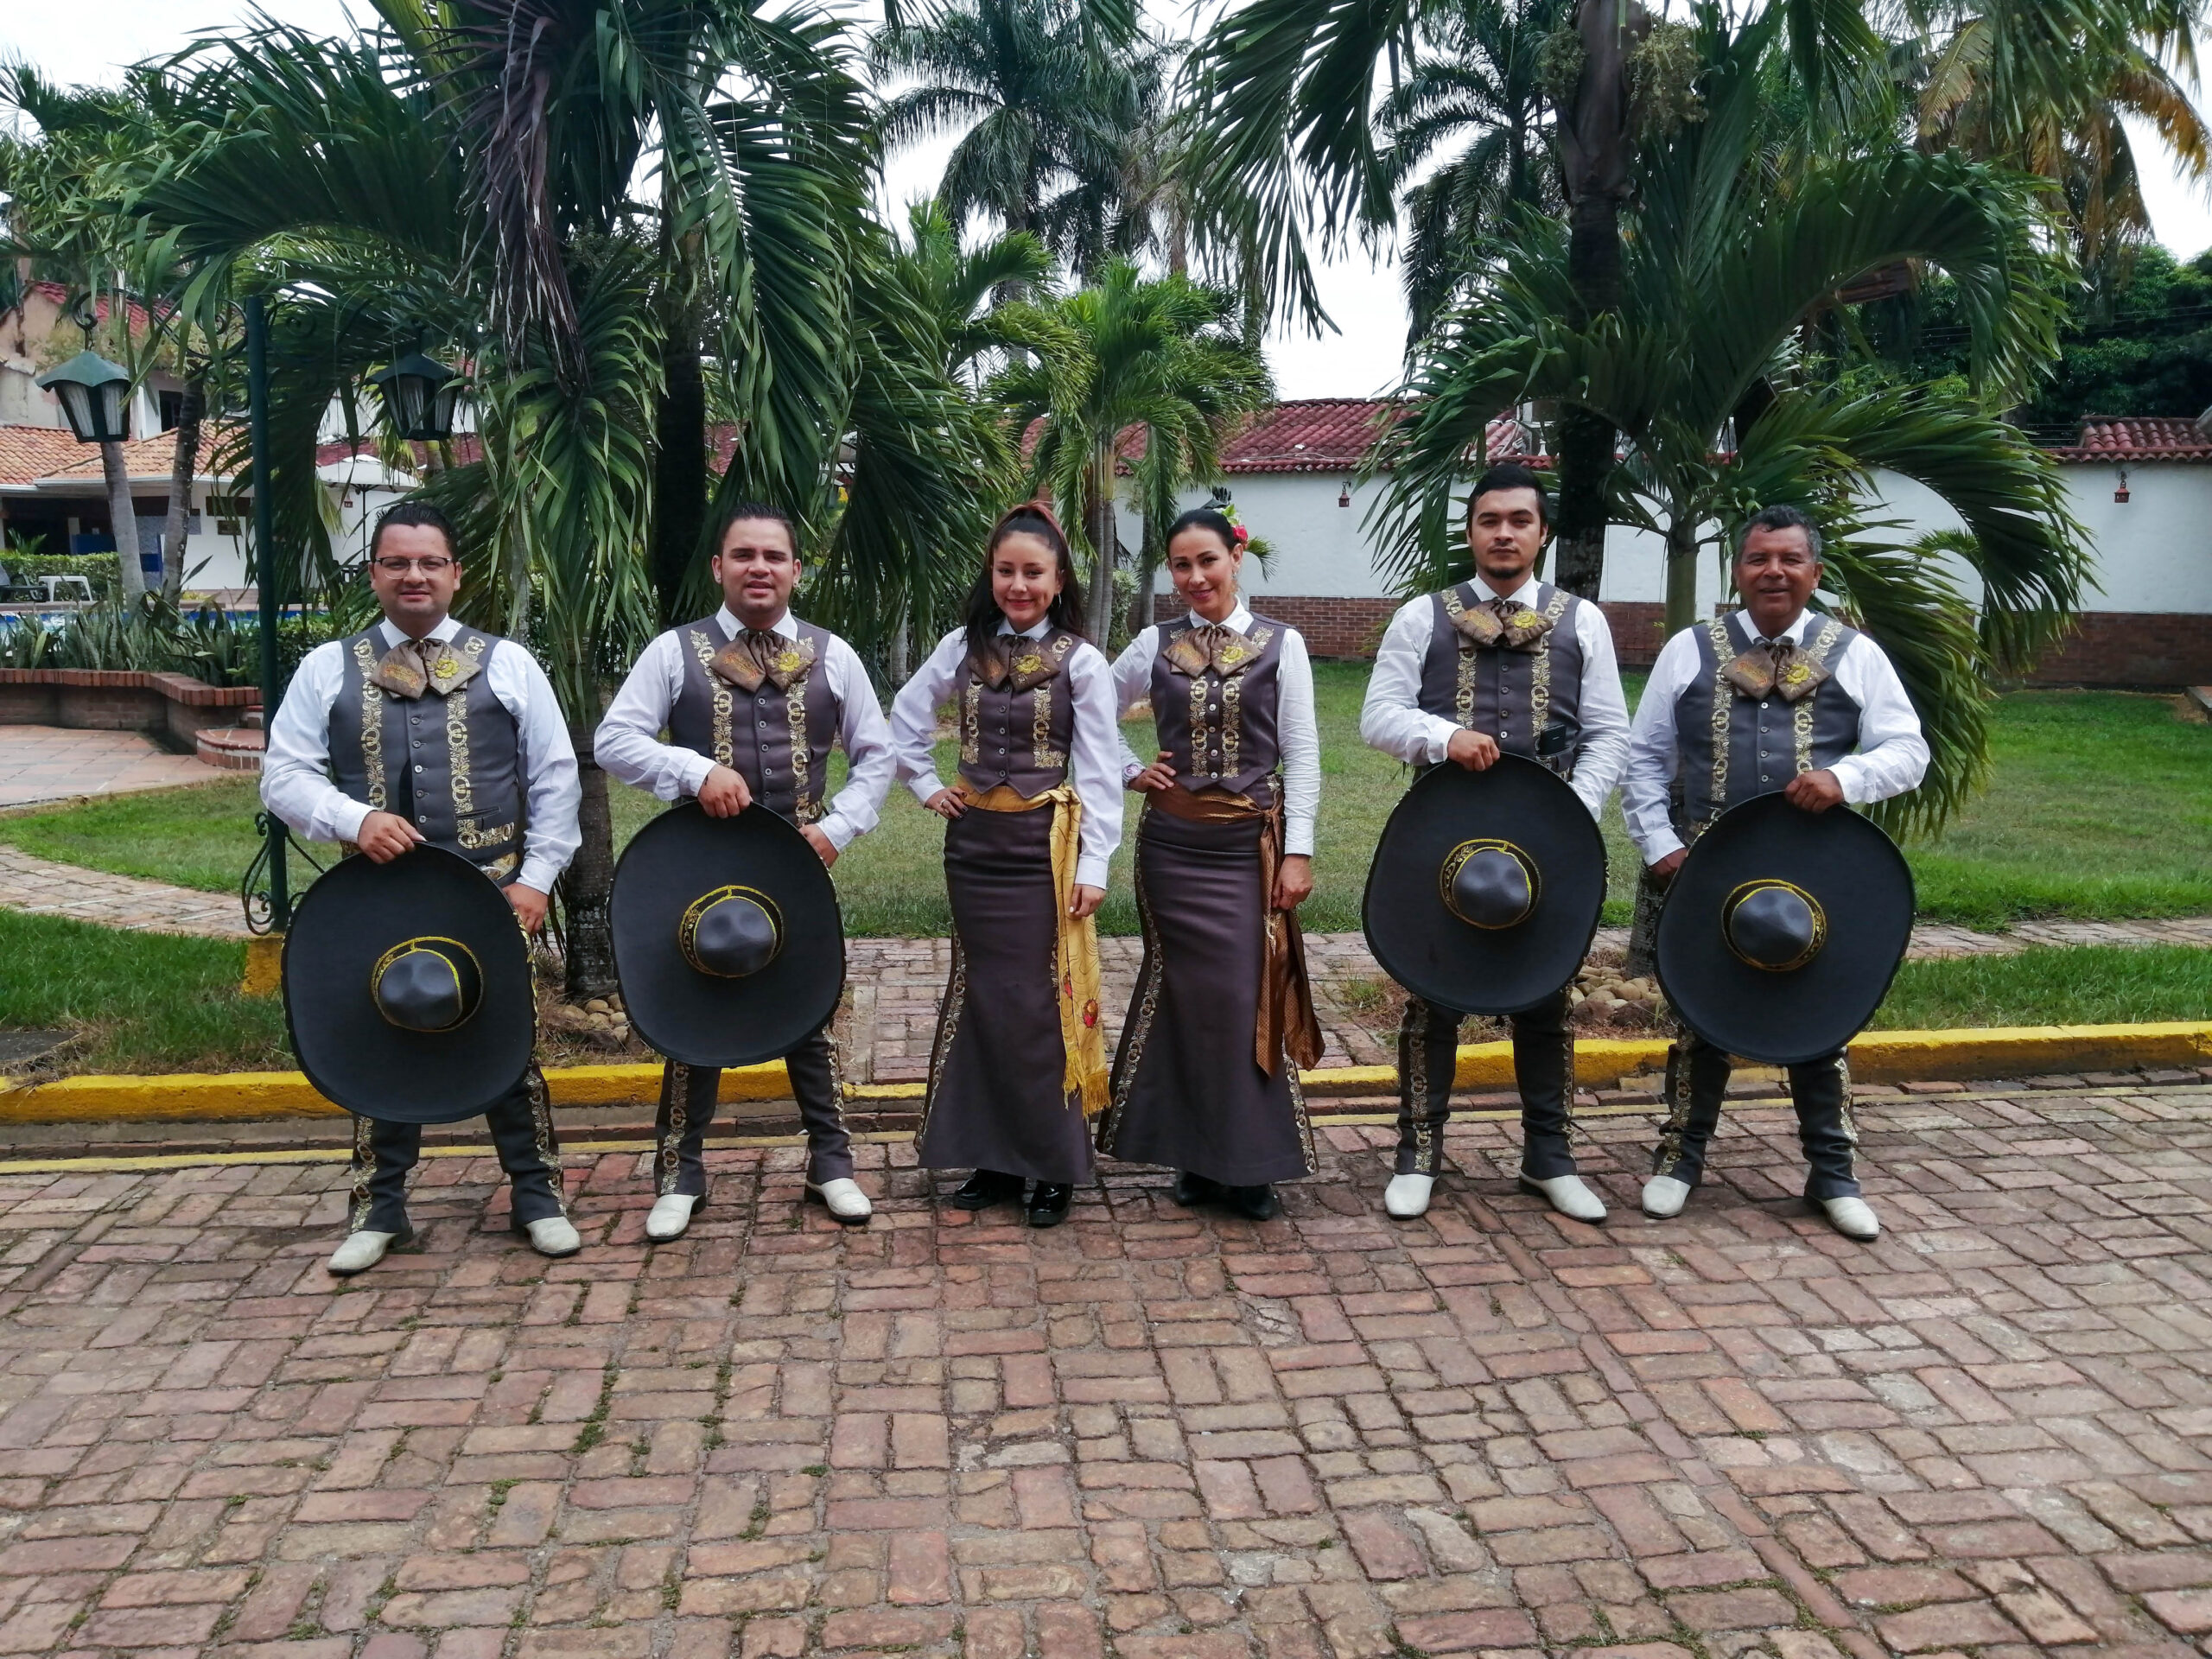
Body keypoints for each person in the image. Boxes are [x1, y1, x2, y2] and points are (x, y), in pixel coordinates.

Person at [262, 500, 583, 1275]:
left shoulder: (509, 664)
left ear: (455, 574)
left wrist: (537, 880)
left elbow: (555, 776)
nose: (415, 576)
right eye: (398, 562)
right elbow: (283, 774)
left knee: (508, 1039)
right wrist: (352, 817)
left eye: (430, 562)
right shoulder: (325, 667)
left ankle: (536, 1196)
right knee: (381, 1036)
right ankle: (380, 1207)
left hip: (490, 889)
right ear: (375, 573)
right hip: (377, 896)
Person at [1623, 504, 1929, 1240]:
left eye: (1791, 560)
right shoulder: (1689, 650)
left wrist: (1846, 780)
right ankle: (1679, 1160)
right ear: (1739, 570)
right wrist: (1662, 847)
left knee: (1819, 1019)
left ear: (1814, 573)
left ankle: (1833, 1172)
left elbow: (1908, 750)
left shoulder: (1853, 652)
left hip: (1818, 876)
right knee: (1700, 1017)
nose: (1775, 572)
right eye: (1760, 559)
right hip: (1707, 870)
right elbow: (1645, 761)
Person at [595, 500, 894, 1240]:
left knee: (810, 1008)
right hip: (699, 871)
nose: (759, 568)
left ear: (795, 569)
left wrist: (836, 830)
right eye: (744, 555)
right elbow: (614, 740)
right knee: (689, 1010)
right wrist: (693, 770)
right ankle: (679, 1173)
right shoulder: (674, 653)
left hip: (798, 867)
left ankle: (832, 1161)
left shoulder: (835, 655)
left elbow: (878, 757)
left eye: (773, 556)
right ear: (719, 568)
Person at [1359, 463, 1631, 1224]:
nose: (1503, 533)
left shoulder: (1584, 621)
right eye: (1489, 520)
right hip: (1439, 837)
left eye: (1519, 519)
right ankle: (1419, 1154)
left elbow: (1610, 731)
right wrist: (1445, 737)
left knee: (1546, 997)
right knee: (1433, 992)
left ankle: (1550, 1159)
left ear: (1541, 532)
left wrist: (1570, 816)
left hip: (1550, 844)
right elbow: (1377, 716)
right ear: (1471, 531)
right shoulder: (1424, 616)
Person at [889, 502, 1123, 1228]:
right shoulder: (963, 645)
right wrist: (926, 784)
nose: (1018, 585)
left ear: (1058, 582)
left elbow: (1101, 766)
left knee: (1036, 1004)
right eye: (1006, 571)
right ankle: (992, 1157)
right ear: (991, 575)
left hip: (1041, 850)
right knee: (984, 999)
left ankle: (1051, 1162)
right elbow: (902, 716)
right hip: (974, 851)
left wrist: (1096, 864)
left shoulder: (1082, 660)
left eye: (1033, 573)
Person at [1097, 505, 1323, 1222]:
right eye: (1182, 565)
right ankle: (1195, 1158)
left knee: (1242, 997)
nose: (1195, 577)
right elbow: (1089, 711)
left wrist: (1299, 851)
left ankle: (1247, 1161)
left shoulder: (1282, 644)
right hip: (1171, 847)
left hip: (1247, 850)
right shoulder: (1152, 643)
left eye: (1208, 561)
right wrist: (1133, 769)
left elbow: (1305, 752)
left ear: (1236, 557)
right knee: (1188, 1000)